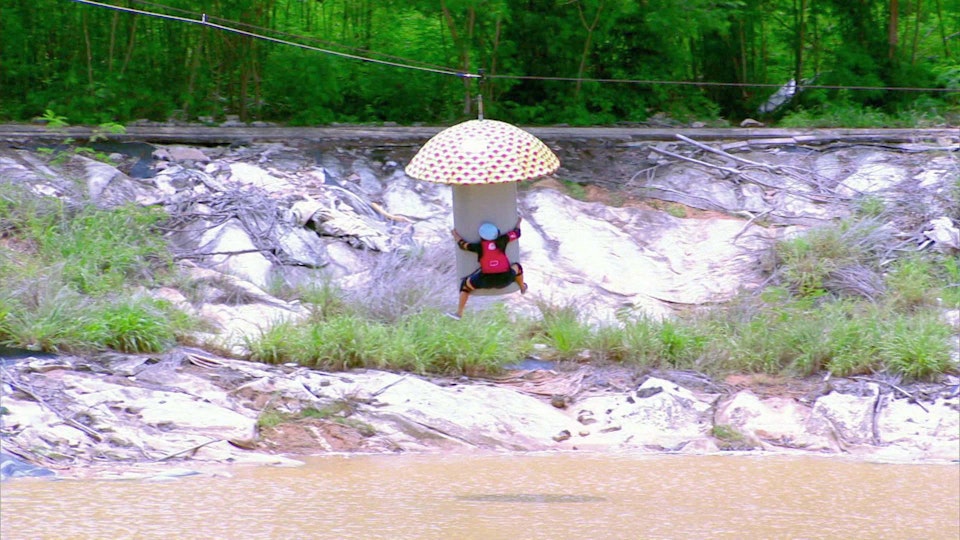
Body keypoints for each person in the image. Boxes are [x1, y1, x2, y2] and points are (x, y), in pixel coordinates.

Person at [449, 217, 527, 319]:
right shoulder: (502, 240)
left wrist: (455, 234)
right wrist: (519, 221)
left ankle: (459, 313)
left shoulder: (479, 247)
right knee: (518, 267)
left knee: (465, 286)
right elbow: (517, 233)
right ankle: (522, 287)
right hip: (505, 278)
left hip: (486, 280)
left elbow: (463, 245)